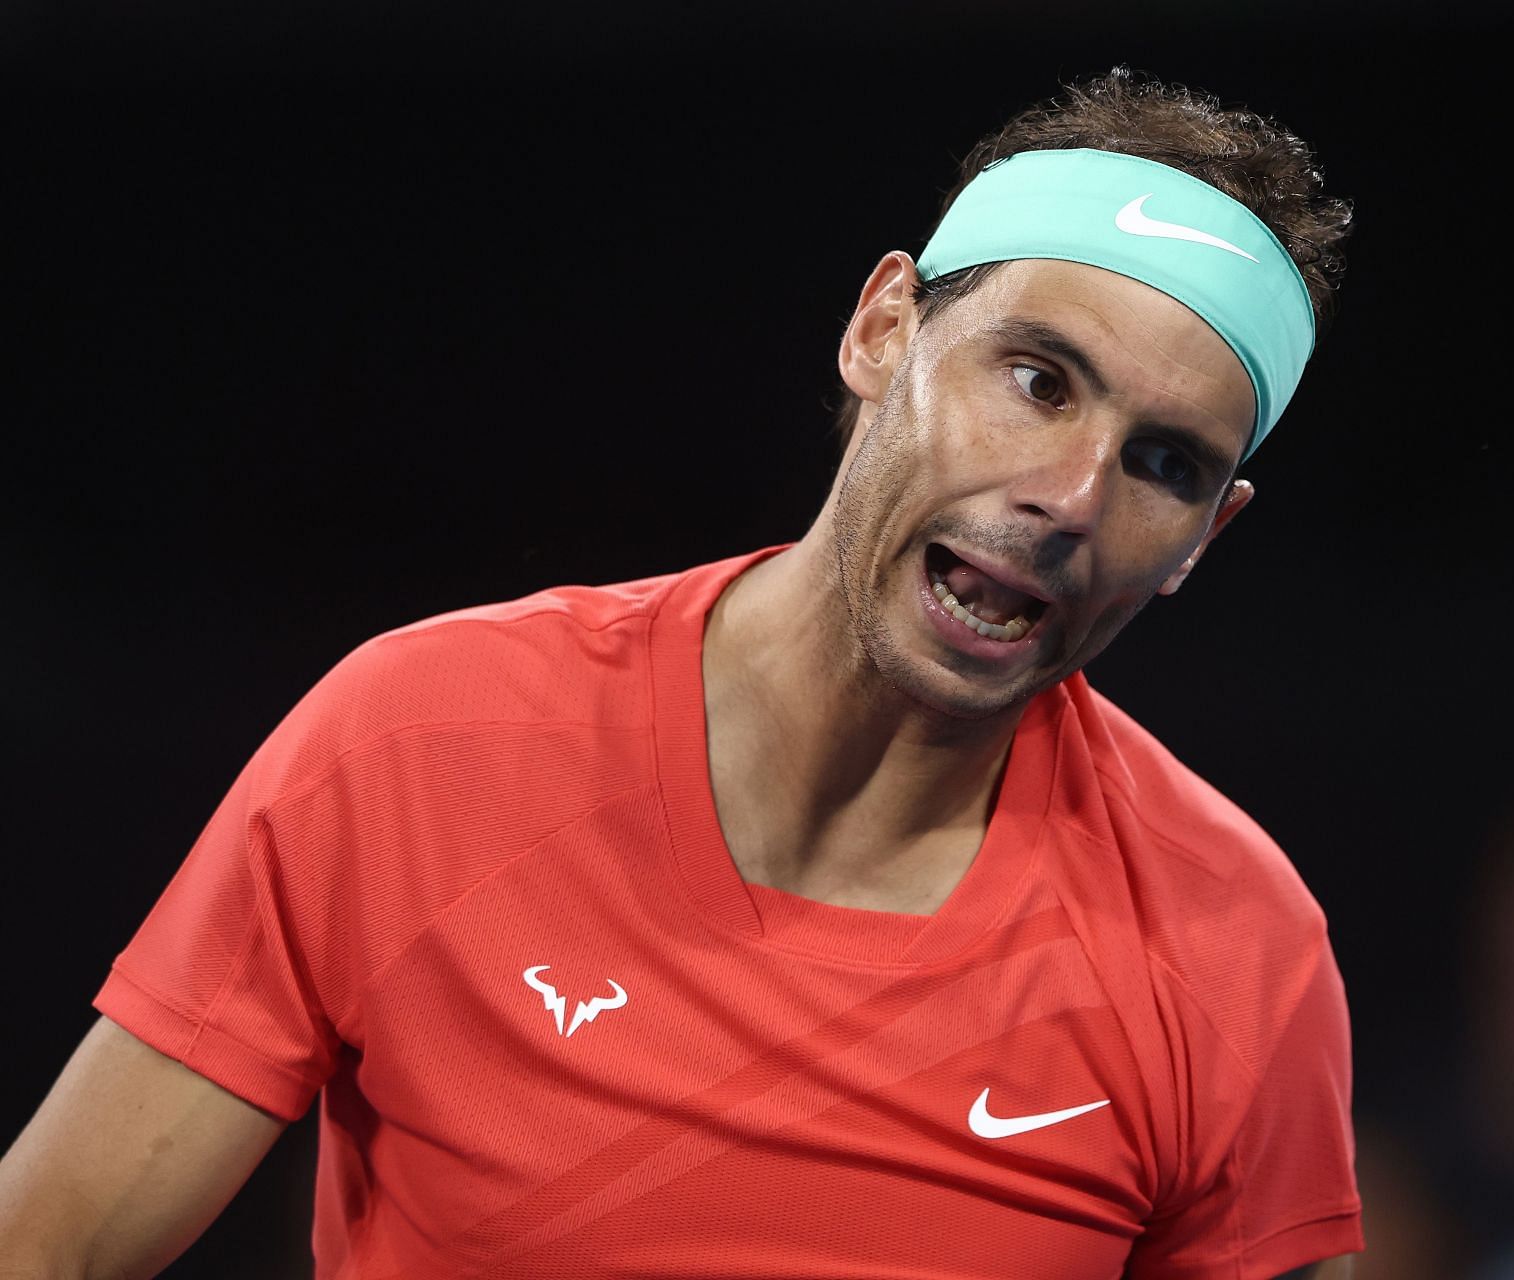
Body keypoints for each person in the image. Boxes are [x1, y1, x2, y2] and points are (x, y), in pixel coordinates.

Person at [0, 69, 1361, 1278]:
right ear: (885, 329)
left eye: (1164, 464)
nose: (1071, 496)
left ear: (1204, 538)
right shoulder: (418, 741)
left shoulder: (1235, 949)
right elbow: (46, 1245)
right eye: (1039, 380)